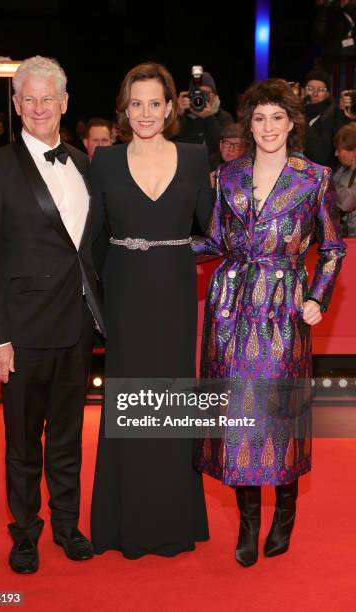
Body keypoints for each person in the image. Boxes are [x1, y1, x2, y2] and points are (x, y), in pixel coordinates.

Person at [193, 78, 346, 567]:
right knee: (237, 414)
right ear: (248, 124)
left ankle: (284, 514)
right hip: (232, 305)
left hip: (283, 306)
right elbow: (214, 240)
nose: (268, 127)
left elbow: (332, 247)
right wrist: (155, 246)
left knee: (278, 414)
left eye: (277, 117)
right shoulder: (226, 177)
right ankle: (248, 523)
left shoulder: (314, 178)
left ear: (292, 122)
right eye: (259, 118)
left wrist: (318, 297)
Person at [0, 55, 104, 574]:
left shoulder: (82, 162)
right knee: (22, 443)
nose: (40, 107)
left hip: (75, 325)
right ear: (17, 104)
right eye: (30, 98)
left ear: (65, 103)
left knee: (68, 437)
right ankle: (24, 532)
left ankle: (67, 525)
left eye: (50, 98)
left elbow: (87, 249)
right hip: (21, 333)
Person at [90, 62, 212, 559]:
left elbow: (217, 230)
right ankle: (125, 523)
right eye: (135, 103)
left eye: (154, 103)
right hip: (124, 294)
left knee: (173, 399)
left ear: (170, 108)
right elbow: (94, 239)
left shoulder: (194, 156)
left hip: (176, 293)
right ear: (125, 109)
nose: (145, 113)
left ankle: (173, 519)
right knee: (129, 400)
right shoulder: (105, 162)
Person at [176, 70, 233, 155]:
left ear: (214, 96)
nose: (200, 98)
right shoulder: (183, 117)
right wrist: (178, 115)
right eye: (197, 93)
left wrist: (209, 118)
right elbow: (172, 143)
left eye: (205, 93)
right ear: (189, 95)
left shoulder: (224, 117)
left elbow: (225, 149)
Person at [303, 67, 349, 167]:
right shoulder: (296, 112)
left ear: (327, 94)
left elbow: (322, 157)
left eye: (320, 90)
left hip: (321, 177)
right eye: (310, 89)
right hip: (293, 175)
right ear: (303, 91)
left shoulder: (334, 115)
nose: (315, 94)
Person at [333, 122, 356, 234]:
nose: (336, 154)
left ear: (353, 151)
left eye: (340, 149)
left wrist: (325, 182)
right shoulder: (343, 170)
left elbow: (347, 202)